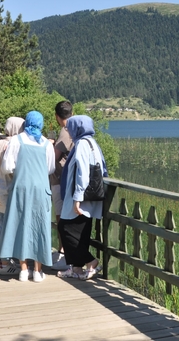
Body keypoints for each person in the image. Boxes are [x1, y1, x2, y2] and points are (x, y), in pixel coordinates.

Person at [0, 111, 55, 282]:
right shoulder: (46, 143)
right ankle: (38, 271)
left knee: (20, 223)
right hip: (40, 188)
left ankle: (23, 269)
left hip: (21, 186)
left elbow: (7, 166)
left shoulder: (17, 140)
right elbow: (50, 169)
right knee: (40, 225)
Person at [57, 115, 106, 280]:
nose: (68, 131)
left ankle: (90, 261)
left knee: (65, 228)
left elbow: (83, 174)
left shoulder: (82, 145)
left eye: (69, 127)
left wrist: (78, 199)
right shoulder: (91, 142)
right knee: (80, 232)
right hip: (90, 196)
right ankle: (76, 268)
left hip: (79, 197)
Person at [0, 116, 24, 276]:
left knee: (2, 221)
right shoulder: (16, 144)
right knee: (11, 224)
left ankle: (4, 258)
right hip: (10, 187)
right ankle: (6, 261)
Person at [51, 101, 74, 265]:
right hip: (68, 180)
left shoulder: (65, 132)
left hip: (60, 180)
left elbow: (54, 157)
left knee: (61, 217)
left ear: (57, 116)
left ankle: (63, 251)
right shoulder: (74, 128)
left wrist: (50, 145)